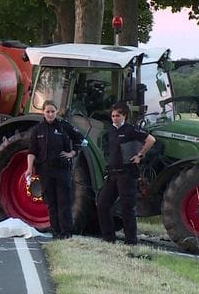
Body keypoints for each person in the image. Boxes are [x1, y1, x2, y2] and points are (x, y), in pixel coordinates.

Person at [97, 102, 155, 245]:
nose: (115, 118)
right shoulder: (111, 131)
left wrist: (140, 155)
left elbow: (151, 140)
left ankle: (131, 241)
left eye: (118, 115)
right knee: (102, 204)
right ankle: (108, 238)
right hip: (112, 174)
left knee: (127, 208)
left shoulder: (131, 130)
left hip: (126, 174)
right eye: (113, 116)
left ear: (125, 116)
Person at [25, 100, 85, 239]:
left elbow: (80, 139)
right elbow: (32, 151)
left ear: (57, 111)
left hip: (62, 170)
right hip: (45, 170)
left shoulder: (64, 126)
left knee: (64, 201)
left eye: (53, 111)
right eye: (47, 112)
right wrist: (29, 168)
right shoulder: (37, 130)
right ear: (43, 112)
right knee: (51, 202)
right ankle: (56, 232)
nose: (50, 114)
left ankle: (66, 232)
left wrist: (72, 153)